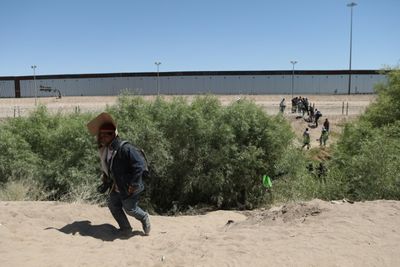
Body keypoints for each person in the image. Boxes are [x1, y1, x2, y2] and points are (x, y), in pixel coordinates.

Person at [87, 112, 151, 237]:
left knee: (130, 209)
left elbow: (140, 165)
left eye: (105, 135)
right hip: (118, 186)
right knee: (113, 205)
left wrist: (133, 184)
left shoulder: (126, 148)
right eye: (101, 136)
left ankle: (144, 217)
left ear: (113, 135)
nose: (102, 138)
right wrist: (106, 177)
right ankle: (126, 229)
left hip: (131, 186)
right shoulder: (107, 150)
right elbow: (110, 167)